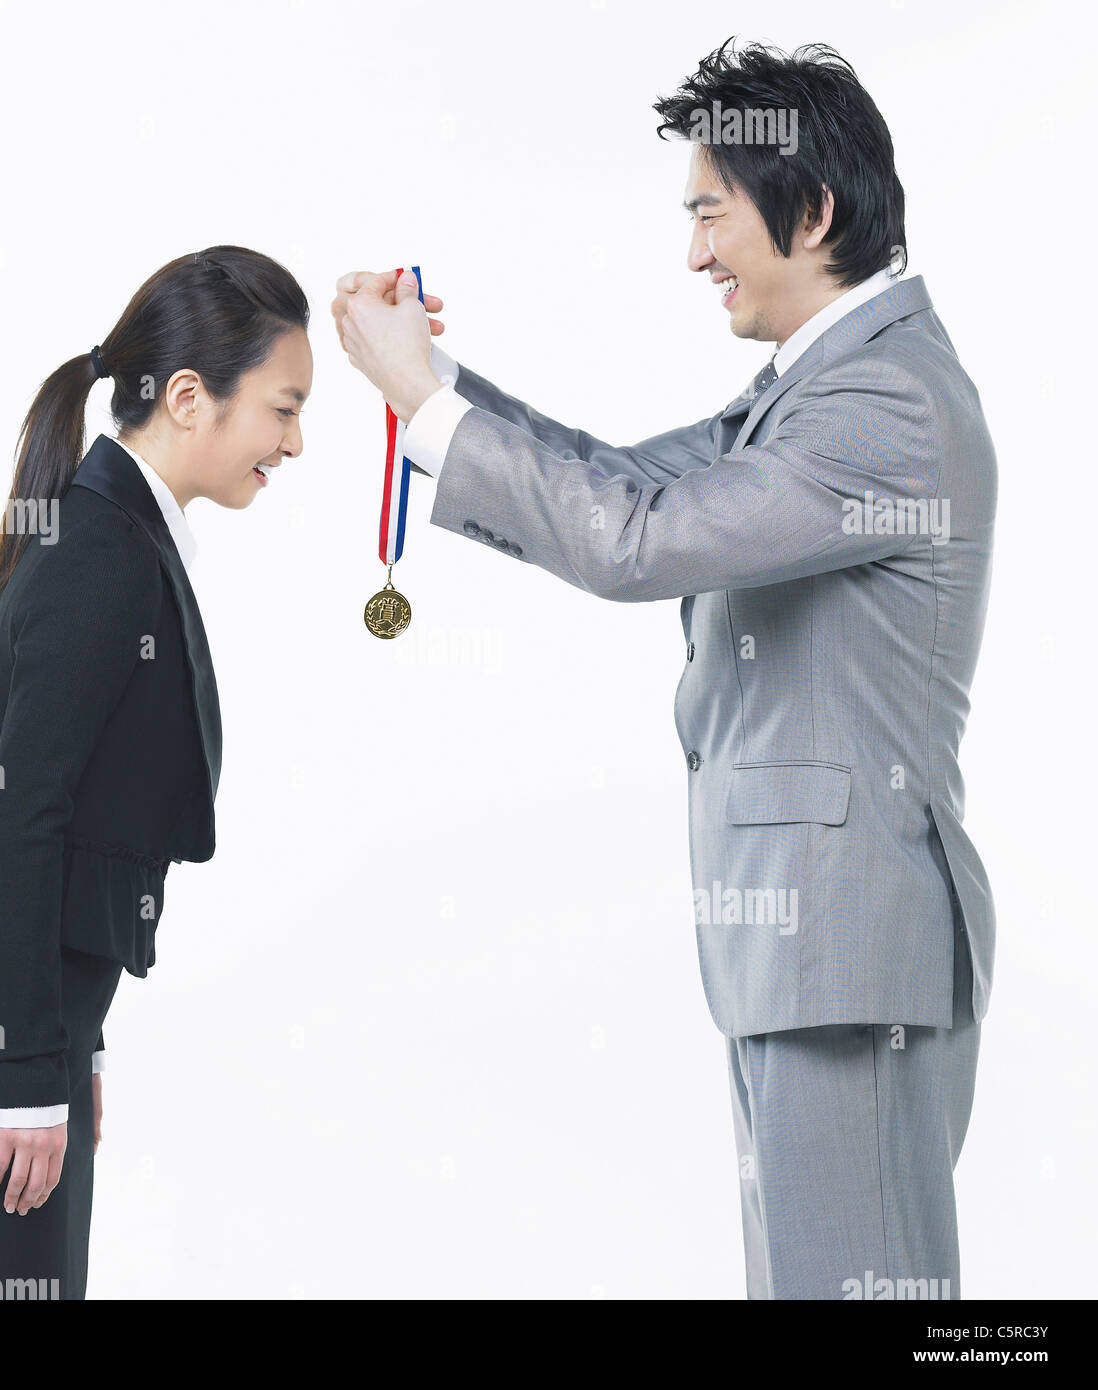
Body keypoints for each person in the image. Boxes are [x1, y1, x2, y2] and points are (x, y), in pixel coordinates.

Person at [332, 39, 996, 1300]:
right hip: (811, 950)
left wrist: (423, 405)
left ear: (807, 212)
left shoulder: (884, 404)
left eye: (708, 213)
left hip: (842, 951)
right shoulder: (821, 387)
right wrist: (435, 382)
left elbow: (632, 544)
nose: (693, 254)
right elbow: (628, 480)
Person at [0, 245, 329, 1299]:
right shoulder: (100, 548)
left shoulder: (120, 531)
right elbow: (21, 822)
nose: (295, 442)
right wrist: (24, 1069)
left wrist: (74, 1040)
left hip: (16, 1021)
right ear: (189, 398)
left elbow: (88, 822)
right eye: (283, 409)